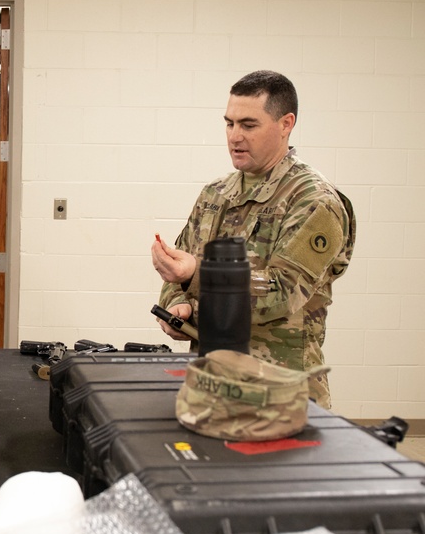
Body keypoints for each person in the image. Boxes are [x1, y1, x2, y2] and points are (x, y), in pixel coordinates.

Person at [151, 70, 355, 408]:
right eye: (229, 123)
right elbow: (180, 265)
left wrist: (195, 275)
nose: (234, 136)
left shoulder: (314, 201)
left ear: (286, 124)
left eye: (249, 125)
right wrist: (178, 303)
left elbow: (283, 294)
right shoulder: (215, 194)